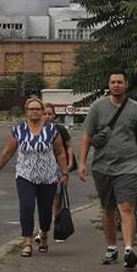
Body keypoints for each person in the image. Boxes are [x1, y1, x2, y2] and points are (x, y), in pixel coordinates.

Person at [77, 68, 137, 269]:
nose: (116, 85)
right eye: (113, 82)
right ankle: (112, 248)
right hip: (102, 166)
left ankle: (129, 250)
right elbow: (87, 135)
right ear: (108, 84)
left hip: (128, 166)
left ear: (126, 84)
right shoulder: (98, 107)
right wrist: (82, 162)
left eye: (120, 82)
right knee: (108, 209)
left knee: (126, 207)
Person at [0, 96, 69, 257]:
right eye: (31, 109)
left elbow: (60, 153)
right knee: (27, 206)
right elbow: (7, 152)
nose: (35, 112)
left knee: (46, 211)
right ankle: (27, 242)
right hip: (25, 176)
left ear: (42, 112)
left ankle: (44, 235)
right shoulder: (18, 130)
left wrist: (65, 172)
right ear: (26, 112)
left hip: (48, 177)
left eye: (38, 109)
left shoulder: (52, 130)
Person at [34, 103, 76, 244]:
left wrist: (69, 165)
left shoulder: (60, 130)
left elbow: (69, 147)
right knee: (44, 201)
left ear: (54, 116)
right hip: (41, 169)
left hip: (58, 169)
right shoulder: (36, 130)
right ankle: (42, 231)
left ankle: (58, 229)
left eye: (49, 114)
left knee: (56, 201)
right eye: (44, 113)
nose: (47, 116)